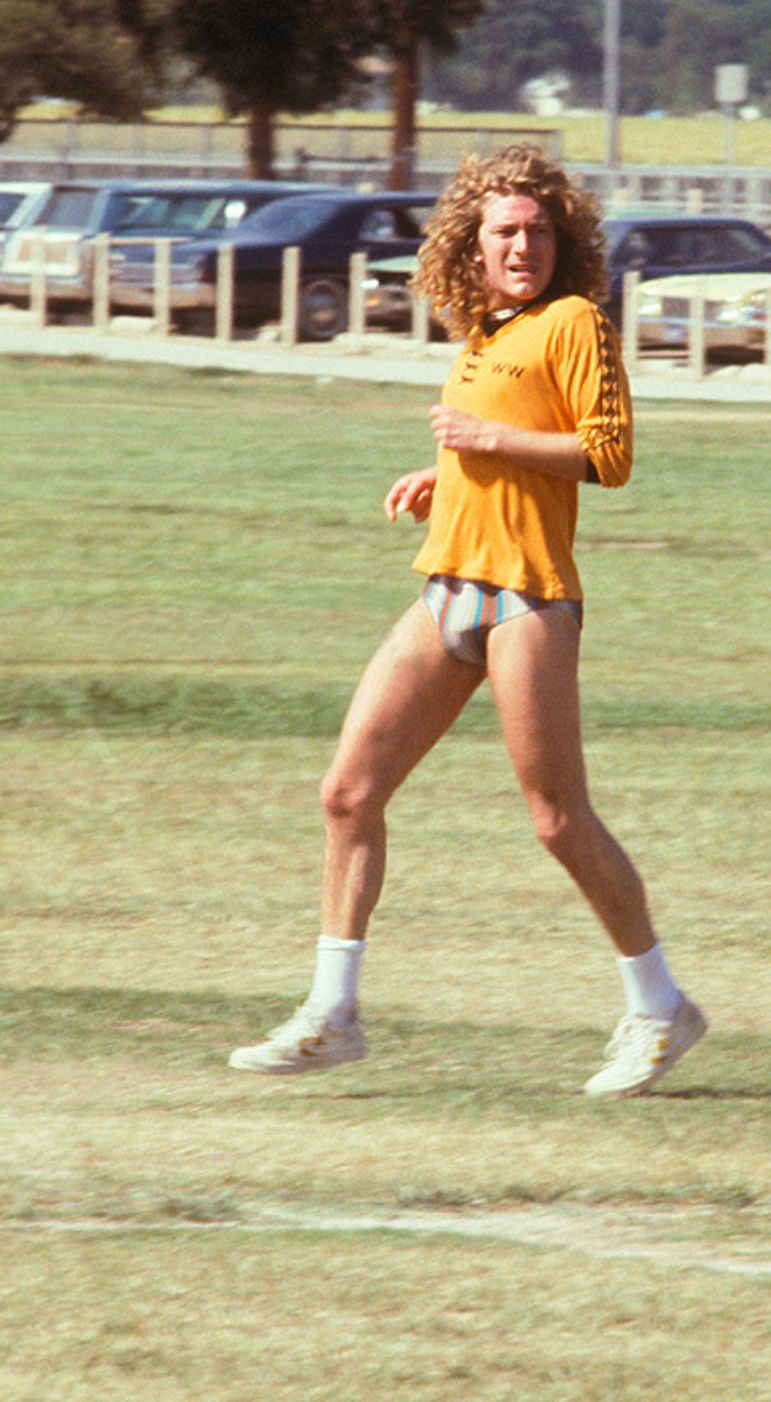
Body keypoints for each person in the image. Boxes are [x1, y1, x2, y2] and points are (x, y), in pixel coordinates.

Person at [229, 143, 706, 1097]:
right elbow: (492, 444)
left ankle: (659, 1005)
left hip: (528, 599)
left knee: (557, 819)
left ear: (560, 241)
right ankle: (333, 1013)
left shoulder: (575, 322)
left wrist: (489, 440)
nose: (521, 245)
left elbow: (607, 456)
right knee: (347, 794)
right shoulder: (484, 329)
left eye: (537, 231)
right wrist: (444, 475)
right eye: (504, 232)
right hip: (448, 586)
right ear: (472, 246)